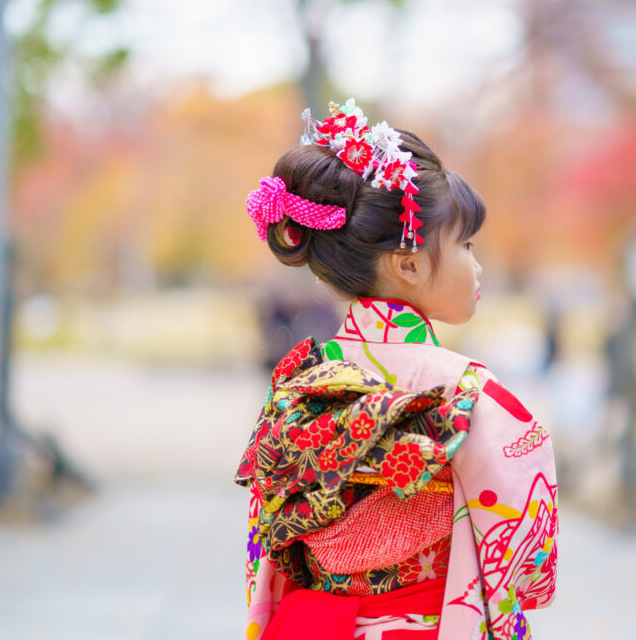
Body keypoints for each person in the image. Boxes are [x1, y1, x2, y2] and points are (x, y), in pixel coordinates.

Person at [235, 98, 558, 640]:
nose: (477, 265)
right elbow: (528, 559)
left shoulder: (297, 383)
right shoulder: (467, 389)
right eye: (466, 244)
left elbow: (265, 541)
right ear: (408, 263)